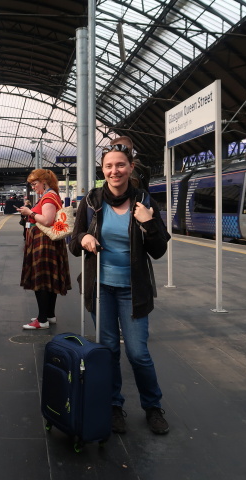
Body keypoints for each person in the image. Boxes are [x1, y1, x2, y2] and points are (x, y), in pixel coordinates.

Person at [69, 138, 171, 435]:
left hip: (132, 290)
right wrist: (84, 239)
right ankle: (114, 406)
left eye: (120, 165)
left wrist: (149, 223)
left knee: (138, 352)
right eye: (109, 166)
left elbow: (159, 249)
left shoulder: (144, 202)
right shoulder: (91, 202)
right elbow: (73, 243)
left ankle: (153, 406)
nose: (115, 171)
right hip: (99, 287)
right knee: (109, 349)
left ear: (130, 168)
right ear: (103, 169)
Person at [16, 169, 71, 329]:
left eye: (34, 184)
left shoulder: (48, 197)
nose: (33, 187)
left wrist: (30, 212)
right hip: (48, 243)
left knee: (41, 280)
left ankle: (41, 320)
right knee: (49, 279)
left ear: (44, 182)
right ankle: (49, 314)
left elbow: (47, 221)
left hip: (45, 244)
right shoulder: (52, 195)